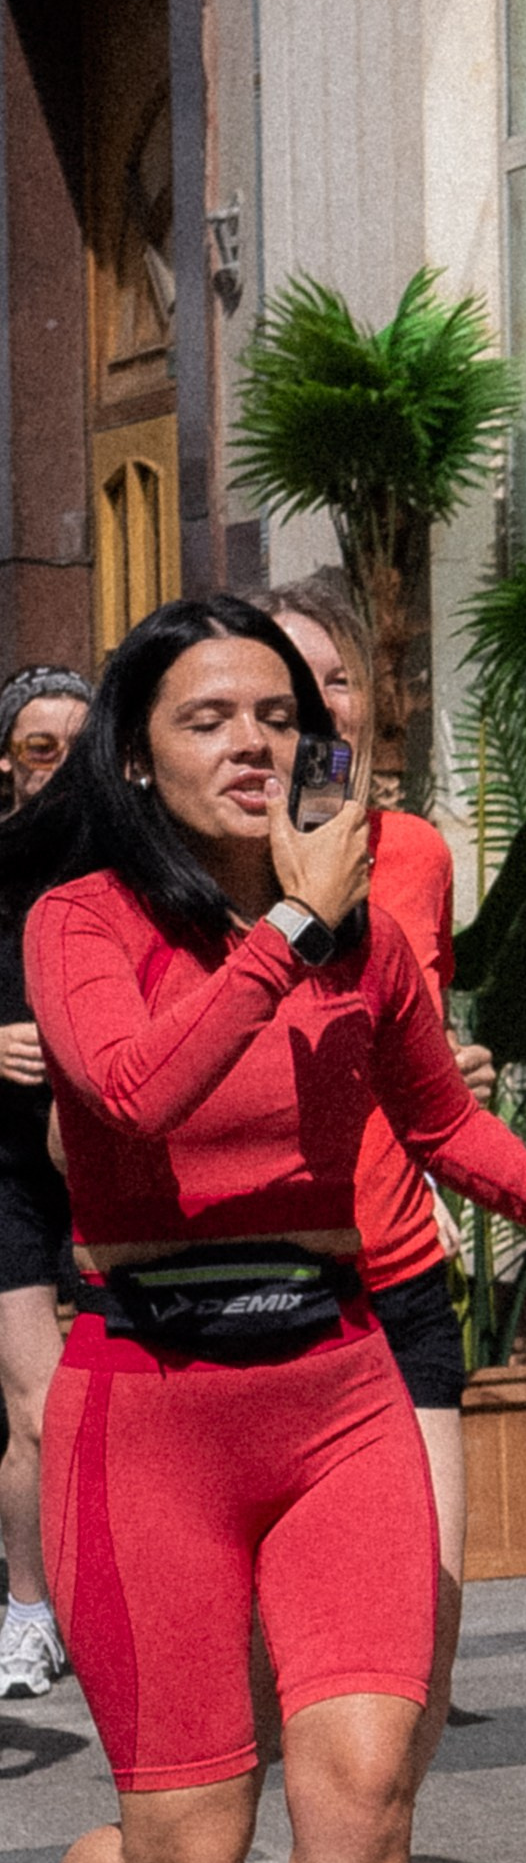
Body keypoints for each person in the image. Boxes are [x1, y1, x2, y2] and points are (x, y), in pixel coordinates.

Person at [0, 597, 526, 1863]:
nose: (254, 742)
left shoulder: (361, 941)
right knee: (187, 1847)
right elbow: (136, 1093)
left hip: (337, 1385)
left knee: (359, 1788)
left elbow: (436, 1115)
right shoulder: (79, 919)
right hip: (149, 1399)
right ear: (139, 754)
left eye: (277, 716)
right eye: (209, 717)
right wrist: (289, 922)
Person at [151, 566, 495, 1863]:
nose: (302, 719)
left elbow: (410, 1043)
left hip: (395, 1278)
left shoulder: (411, 856)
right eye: (276, 694)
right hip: (238, 1295)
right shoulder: (169, 877)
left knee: (427, 1616)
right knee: (243, 1639)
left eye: (329, 685)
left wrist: (452, 1091)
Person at [0, 667, 91, 1698]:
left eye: (80, 744)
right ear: (8, 760)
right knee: (37, 1405)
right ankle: (28, 1609)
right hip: (10, 1169)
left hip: (112, 1160)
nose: (61, 765)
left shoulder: (131, 868)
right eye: (39, 747)